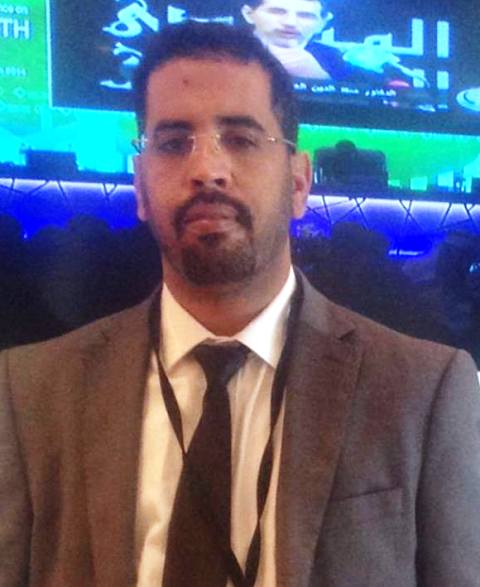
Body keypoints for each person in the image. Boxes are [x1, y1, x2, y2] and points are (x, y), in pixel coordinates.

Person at [1, 20, 480, 587]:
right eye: (173, 143)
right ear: (141, 186)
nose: (207, 170)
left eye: (242, 139)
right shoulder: (31, 393)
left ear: (298, 183)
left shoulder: (423, 391)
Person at [240, 0, 356, 80]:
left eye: (305, 15)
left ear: (323, 22)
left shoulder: (336, 61)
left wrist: (321, 79)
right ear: (248, 14)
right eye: (277, 12)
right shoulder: (229, 50)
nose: (290, 22)